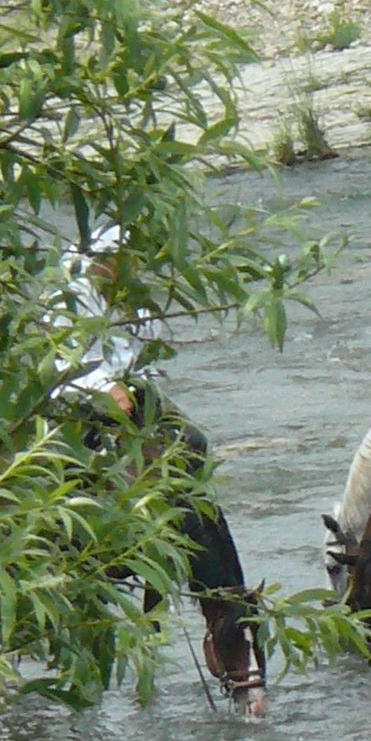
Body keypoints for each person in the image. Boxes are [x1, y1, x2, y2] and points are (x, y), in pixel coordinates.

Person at [59, 224, 265, 713]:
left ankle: (208, 570)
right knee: (85, 461)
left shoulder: (139, 298)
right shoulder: (71, 299)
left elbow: (144, 360)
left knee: (192, 441)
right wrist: (104, 386)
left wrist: (134, 387)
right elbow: (69, 360)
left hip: (136, 398)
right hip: (79, 397)